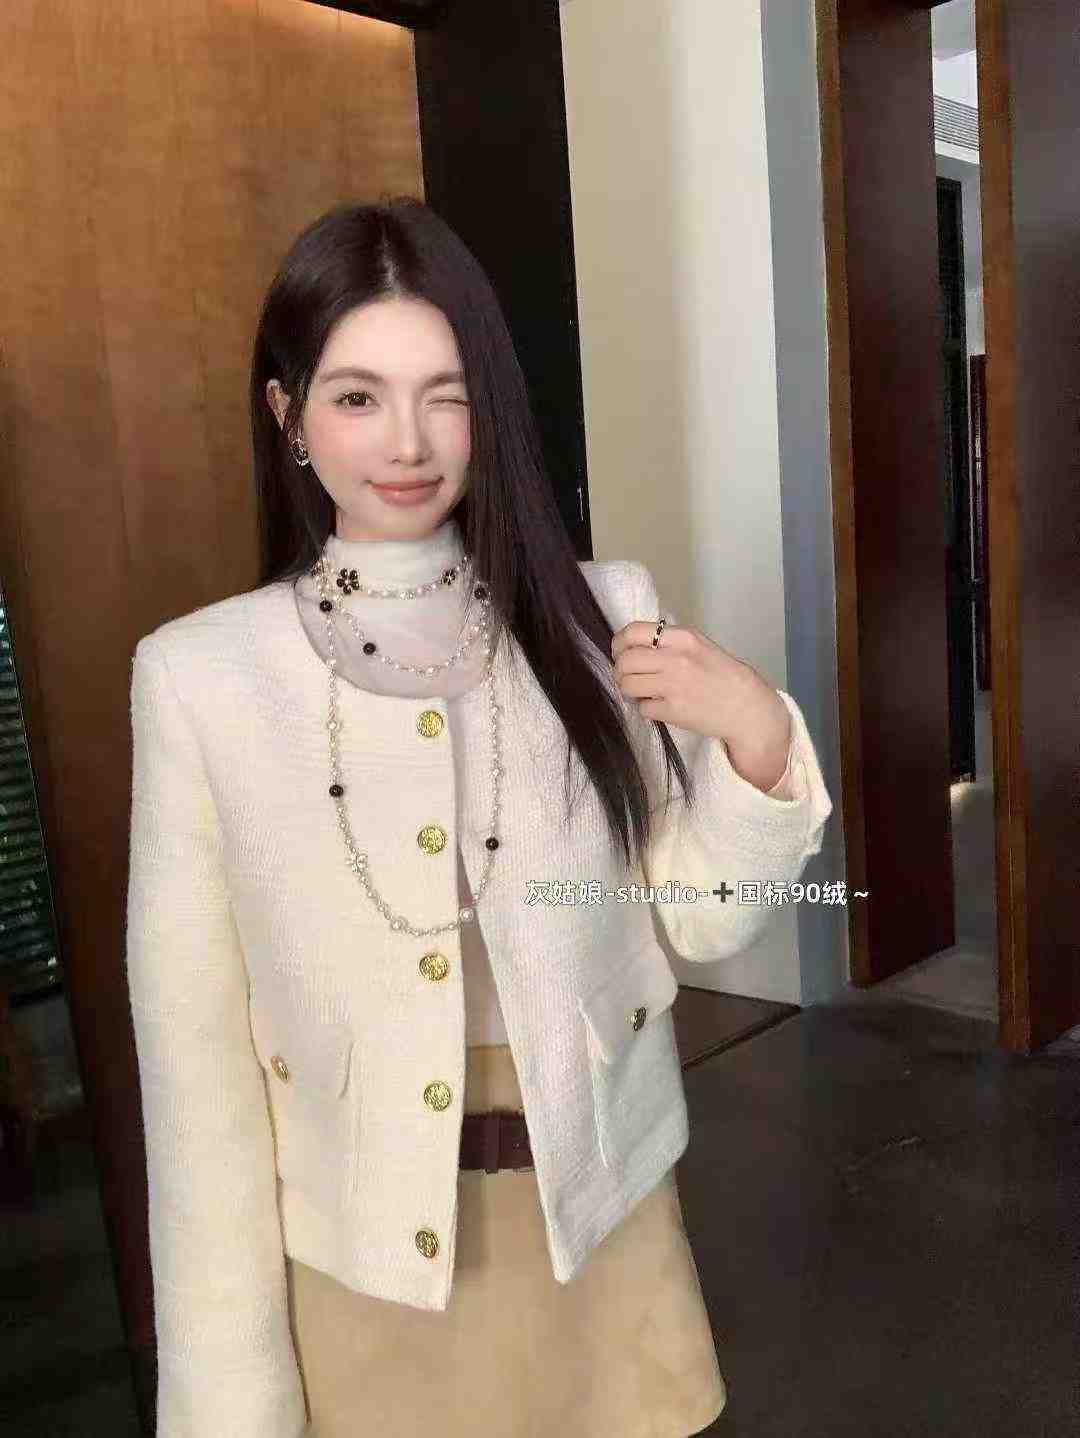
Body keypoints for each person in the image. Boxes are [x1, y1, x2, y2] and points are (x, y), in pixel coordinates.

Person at [125, 197, 832, 1437]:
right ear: (287, 414)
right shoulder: (201, 678)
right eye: (357, 396)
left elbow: (702, 918)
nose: (407, 441)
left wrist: (756, 738)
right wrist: (230, 1406)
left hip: (603, 1236)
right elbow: (198, 1089)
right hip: (367, 1277)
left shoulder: (602, 615)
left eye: (443, 395)